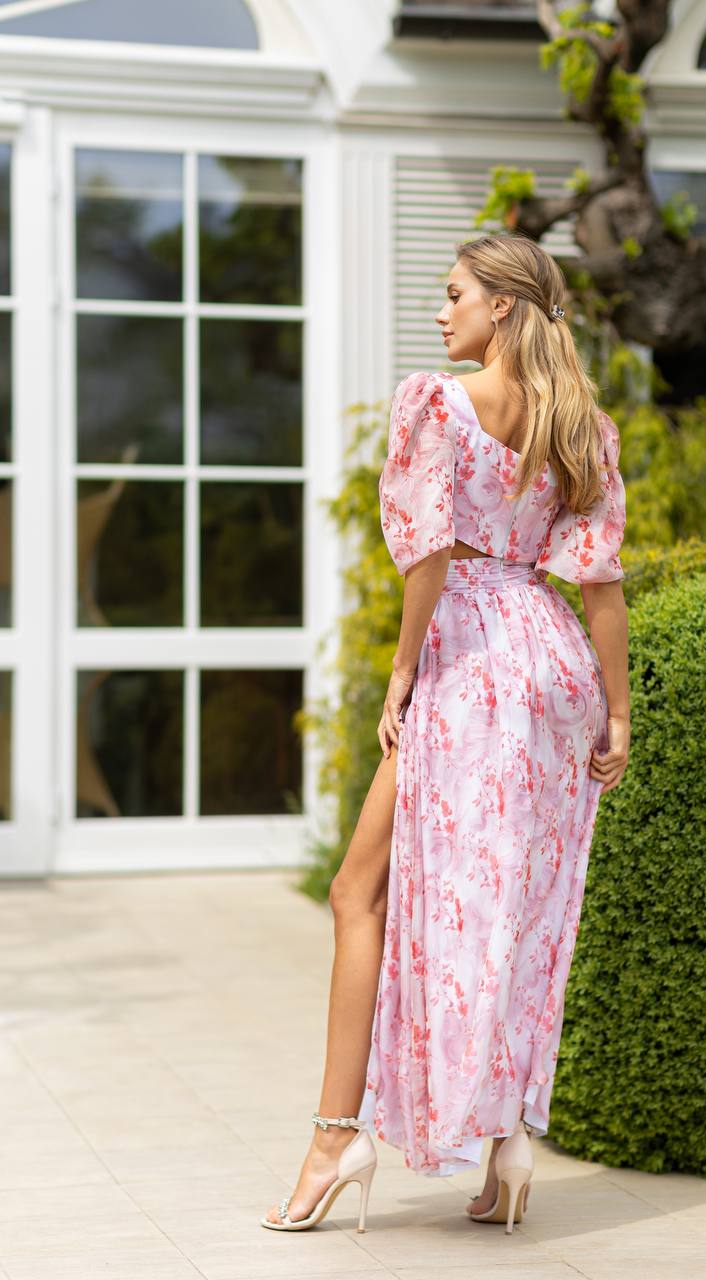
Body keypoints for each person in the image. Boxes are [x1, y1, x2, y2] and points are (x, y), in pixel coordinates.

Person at [262, 231, 630, 1235]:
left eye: (455, 292)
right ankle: (506, 1141)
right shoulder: (578, 420)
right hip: (548, 664)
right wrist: (620, 711)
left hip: (470, 653)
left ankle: (339, 1134)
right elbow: (597, 580)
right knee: (508, 900)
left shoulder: (438, 401)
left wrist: (402, 667)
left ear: (501, 306)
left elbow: (425, 552)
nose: (441, 310)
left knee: (362, 888)